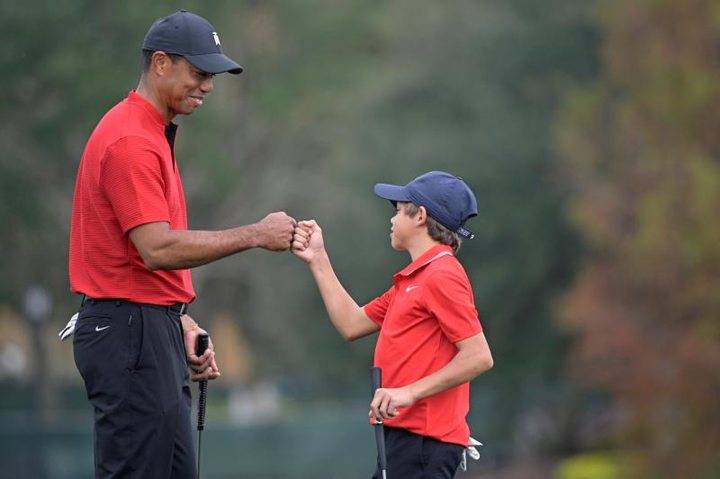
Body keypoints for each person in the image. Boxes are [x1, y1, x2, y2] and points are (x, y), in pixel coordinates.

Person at [68, 10, 296, 478]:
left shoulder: (152, 132)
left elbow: (135, 259)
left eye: (211, 75)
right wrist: (255, 234)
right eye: (198, 72)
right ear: (160, 64)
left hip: (147, 326)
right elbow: (157, 249)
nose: (207, 85)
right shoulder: (131, 139)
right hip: (128, 333)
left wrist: (178, 319)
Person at [292, 171, 494, 478]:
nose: (391, 220)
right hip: (404, 441)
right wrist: (317, 258)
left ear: (421, 216)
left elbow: (478, 356)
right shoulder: (414, 278)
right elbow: (351, 323)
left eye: (398, 210)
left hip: (424, 444)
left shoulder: (442, 274)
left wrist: (408, 393)